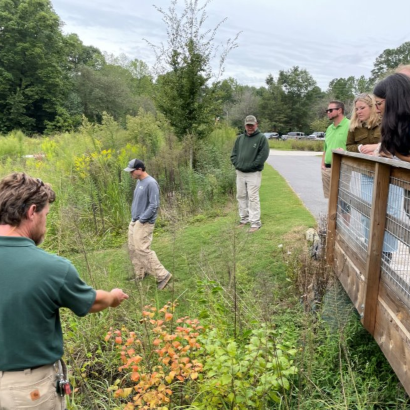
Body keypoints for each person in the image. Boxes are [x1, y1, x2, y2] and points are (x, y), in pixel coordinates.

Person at [0, 172, 129, 409]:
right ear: (31, 212)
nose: (46, 225)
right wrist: (113, 296)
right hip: (27, 392)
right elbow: (92, 302)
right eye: (45, 215)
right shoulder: (52, 268)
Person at [346, 93, 398, 263]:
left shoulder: (385, 122)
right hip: (368, 173)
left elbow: (396, 143)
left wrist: (377, 146)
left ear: (372, 107)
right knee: (368, 211)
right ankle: (371, 247)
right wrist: (360, 148)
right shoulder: (354, 126)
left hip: (390, 174)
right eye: (357, 109)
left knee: (390, 213)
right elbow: (349, 146)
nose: (359, 111)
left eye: (362, 108)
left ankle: (386, 254)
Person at [124, 159, 172, 289]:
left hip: (144, 223)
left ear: (139, 169)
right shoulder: (139, 182)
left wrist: (142, 220)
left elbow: (154, 205)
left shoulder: (151, 183)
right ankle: (140, 274)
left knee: (142, 249)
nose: (131, 174)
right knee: (132, 248)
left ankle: (163, 275)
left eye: (132, 171)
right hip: (135, 220)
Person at [230, 115, 270, 233]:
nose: (250, 127)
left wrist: (250, 166)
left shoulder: (261, 138)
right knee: (241, 196)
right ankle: (244, 219)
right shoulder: (240, 138)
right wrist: (237, 164)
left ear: (256, 124)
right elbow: (233, 154)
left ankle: (255, 222)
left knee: (253, 197)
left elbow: (262, 156)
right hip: (240, 173)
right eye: (248, 125)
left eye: (252, 125)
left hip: (254, 173)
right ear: (245, 125)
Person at [321, 100, 350, 199]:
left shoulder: (350, 125)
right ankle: (330, 216)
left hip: (342, 168)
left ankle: (345, 215)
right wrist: (323, 164)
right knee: (330, 200)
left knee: (343, 202)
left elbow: (353, 147)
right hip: (327, 169)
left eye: (330, 110)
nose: (328, 113)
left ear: (339, 110)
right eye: (327, 111)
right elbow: (326, 147)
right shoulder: (329, 128)